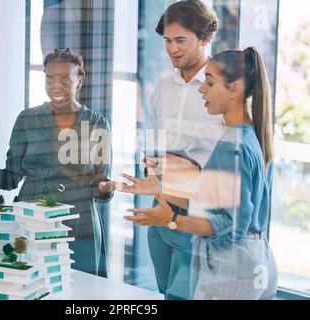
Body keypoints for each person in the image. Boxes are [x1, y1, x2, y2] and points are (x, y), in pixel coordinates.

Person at [124, 46, 278, 300]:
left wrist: (171, 220)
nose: (201, 89)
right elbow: (216, 206)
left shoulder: (233, 147)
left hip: (231, 267)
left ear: (234, 89)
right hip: (255, 258)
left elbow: (225, 224)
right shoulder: (251, 136)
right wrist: (160, 189)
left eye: (209, 82)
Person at [0, 48, 114, 277]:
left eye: (65, 79)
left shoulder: (97, 123)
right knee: (29, 282)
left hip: (79, 219)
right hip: (32, 216)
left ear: (79, 81)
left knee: (82, 288)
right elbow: (12, 177)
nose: (55, 86)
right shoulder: (27, 119)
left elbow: (102, 183)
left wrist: (105, 188)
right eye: (50, 79)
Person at [122, 0, 223, 300]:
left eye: (181, 40)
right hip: (162, 214)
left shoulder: (223, 89)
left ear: (205, 39)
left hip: (202, 217)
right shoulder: (163, 88)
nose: (172, 49)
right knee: (168, 293)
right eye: (167, 40)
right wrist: (150, 165)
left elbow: (231, 162)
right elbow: (152, 145)